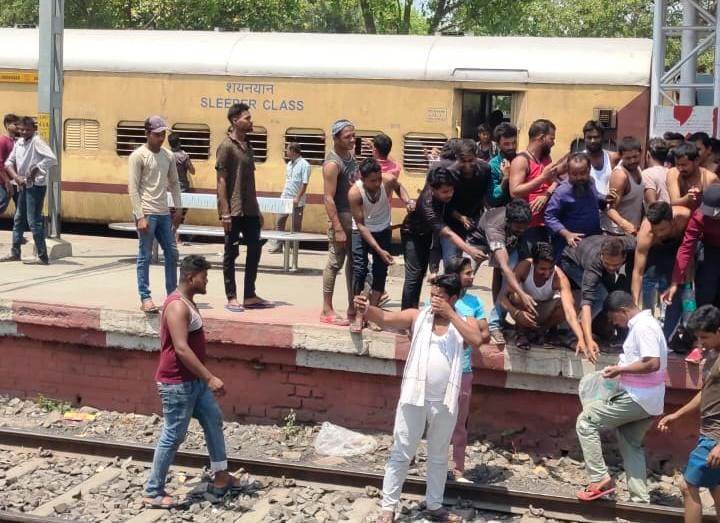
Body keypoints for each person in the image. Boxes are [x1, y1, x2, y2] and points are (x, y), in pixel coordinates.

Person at [354, 274, 483, 523]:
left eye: (439, 297)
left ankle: (434, 505)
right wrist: (367, 308)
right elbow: (386, 319)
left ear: (453, 299)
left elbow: (477, 340)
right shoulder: (418, 316)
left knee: (438, 456)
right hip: (414, 397)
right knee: (401, 452)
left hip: (445, 401)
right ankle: (388, 508)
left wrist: (451, 314)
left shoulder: (463, 322)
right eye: (432, 295)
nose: (433, 300)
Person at [142, 255, 242, 509]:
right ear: (190, 277)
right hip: (177, 384)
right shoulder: (177, 306)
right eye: (203, 277)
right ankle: (153, 491)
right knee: (173, 435)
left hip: (193, 381)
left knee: (213, 419)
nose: (206, 281)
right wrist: (209, 377)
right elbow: (181, 348)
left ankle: (221, 476)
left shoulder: (188, 302)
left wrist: (202, 378)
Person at [575, 291, 667, 504]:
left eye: (613, 318)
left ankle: (599, 478)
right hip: (648, 399)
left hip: (638, 397)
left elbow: (651, 363)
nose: (614, 323)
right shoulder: (646, 325)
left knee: (586, 421)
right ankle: (640, 500)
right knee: (630, 442)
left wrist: (621, 369)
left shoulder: (643, 327)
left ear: (623, 311)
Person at [658, 305, 720, 523]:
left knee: (688, 485)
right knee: (715, 487)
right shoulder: (713, 354)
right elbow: (706, 393)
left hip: (715, 438)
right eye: (698, 338)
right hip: (709, 433)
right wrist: (677, 415)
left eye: (705, 337)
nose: (701, 343)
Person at [400, 166, 486, 310]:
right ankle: (406, 313)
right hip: (412, 234)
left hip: (426, 233)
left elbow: (446, 207)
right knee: (414, 275)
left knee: (420, 273)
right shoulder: (427, 205)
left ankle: (413, 310)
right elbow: (447, 233)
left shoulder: (439, 190)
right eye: (445, 192)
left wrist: (460, 217)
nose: (449, 194)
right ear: (433, 190)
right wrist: (470, 250)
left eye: (451, 190)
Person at [216, 103, 273, 313]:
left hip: (249, 209)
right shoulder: (226, 146)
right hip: (233, 209)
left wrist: (257, 209)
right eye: (247, 118)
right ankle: (231, 297)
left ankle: (249, 295)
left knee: (255, 249)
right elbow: (221, 180)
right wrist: (225, 212)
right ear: (235, 121)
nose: (251, 121)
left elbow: (250, 181)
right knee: (231, 252)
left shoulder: (248, 146)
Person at [123, 116, 182, 312]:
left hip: (164, 212)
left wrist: (178, 208)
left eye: (163, 134)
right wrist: (139, 216)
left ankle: (172, 294)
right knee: (145, 255)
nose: (161, 138)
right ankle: (145, 297)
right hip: (147, 212)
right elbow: (133, 188)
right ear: (147, 134)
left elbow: (174, 183)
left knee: (172, 253)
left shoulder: (168, 156)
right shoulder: (138, 156)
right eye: (157, 134)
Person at [349, 158, 414, 332]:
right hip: (361, 231)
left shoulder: (388, 180)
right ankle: (358, 314)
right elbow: (361, 225)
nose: (377, 184)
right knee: (360, 270)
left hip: (383, 228)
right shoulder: (355, 193)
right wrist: (379, 250)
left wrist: (408, 201)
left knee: (380, 271)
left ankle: (372, 314)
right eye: (373, 181)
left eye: (379, 179)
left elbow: (399, 187)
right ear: (363, 179)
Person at [444, 257, 490, 482]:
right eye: (468, 273)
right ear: (455, 276)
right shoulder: (438, 301)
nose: (472, 277)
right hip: (441, 369)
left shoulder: (474, 302)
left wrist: (470, 326)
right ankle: (435, 465)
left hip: (463, 370)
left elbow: (485, 334)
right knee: (434, 421)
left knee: (460, 423)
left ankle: (458, 468)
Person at [560, 235, 636, 361]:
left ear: (624, 257)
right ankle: (573, 335)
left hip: (591, 247)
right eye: (607, 263)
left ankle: (617, 334)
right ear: (601, 256)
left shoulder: (631, 245)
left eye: (616, 265)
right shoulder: (593, 265)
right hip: (571, 260)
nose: (611, 268)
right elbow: (586, 304)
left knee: (617, 291)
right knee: (601, 296)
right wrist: (588, 340)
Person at [466, 198, 532, 344]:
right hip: (478, 243)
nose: (521, 231)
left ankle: (495, 324)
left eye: (524, 228)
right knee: (462, 277)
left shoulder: (520, 219)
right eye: (518, 228)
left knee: (508, 283)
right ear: (508, 221)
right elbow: (504, 266)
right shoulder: (495, 228)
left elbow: (506, 273)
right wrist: (522, 294)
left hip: (508, 245)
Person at [500, 242, 586, 351]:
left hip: (545, 311)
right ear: (534, 264)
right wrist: (516, 313)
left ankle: (541, 331)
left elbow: (570, 311)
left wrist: (580, 338)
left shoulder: (559, 277)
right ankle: (521, 333)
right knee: (516, 296)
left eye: (550, 268)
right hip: (524, 308)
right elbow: (502, 298)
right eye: (542, 269)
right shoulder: (524, 267)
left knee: (568, 303)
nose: (547, 273)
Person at [0, 116, 57, 266]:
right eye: (21, 129)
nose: (24, 132)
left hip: (35, 186)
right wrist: (15, 177)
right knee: (18, 219)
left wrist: (36, 169)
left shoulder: (37, 141)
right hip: (22, 185)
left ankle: (42, 256)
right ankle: (15, 252)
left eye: (27, 130)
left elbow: (52, 159)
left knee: (33, 221)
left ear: (34, 129)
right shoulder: (19, 142)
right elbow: (8, 162)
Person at [630, 202, 691, 339]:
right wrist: (634, 305)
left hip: (683, 249)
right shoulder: (647, 234)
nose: (658, 233)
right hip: (657, 251)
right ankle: (648, 324)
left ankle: (669, 334)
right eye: (655, 230)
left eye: (662, 229)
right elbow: (637, 272)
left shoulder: (685, 216)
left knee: (681, 290)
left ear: (672, 221)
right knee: (648, 281)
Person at [321, 119, 359, 326]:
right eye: (347, 137)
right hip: (342, 217)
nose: (353, 140)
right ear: (335, 139)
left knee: (353, 263)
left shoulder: (350, 157)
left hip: (353, 217)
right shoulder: (333, 164)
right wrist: (337, 227)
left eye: (354, 135)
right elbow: (328, 197)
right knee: (335, 263)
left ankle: (352, 306)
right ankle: (326, 308)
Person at [509, 119, 566, 253]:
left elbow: (555, 181)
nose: (553, 143)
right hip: (529, 227)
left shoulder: (546, 159)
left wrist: (546, 194)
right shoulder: (521, 161)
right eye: (551, 138)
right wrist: (542, 178)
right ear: (541, 138)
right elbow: (514, 191)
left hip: (547, 223)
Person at [663, 183, 720, 310]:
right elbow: (686, 248)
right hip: (710, 250)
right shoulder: (700, 217)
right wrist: (675, 282)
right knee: (706, 290)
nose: (710, 216)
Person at [544, 152, 604, 258]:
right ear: (568, 172)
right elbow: (549, 216)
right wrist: (567, 234)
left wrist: (605, 198)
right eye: (574, 174)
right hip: (571, 246)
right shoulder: (561, 192)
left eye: (583, 173)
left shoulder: (590, 182)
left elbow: (596, 196)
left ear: (589, 170)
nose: (579, 177)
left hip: (593, 241)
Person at [444, 139, 490, 264]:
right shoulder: (449, 174)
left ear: (476, 156)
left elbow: (486, 195)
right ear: (456, 158)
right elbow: (443, 203)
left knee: (471, 263)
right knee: (452, 263)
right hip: (452, 222)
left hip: (475, 220)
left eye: (471, 161)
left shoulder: (485, 169)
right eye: (463, 161)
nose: (467, 165)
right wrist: (460, 217)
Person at [268, 142, 311, 254]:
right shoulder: (289, 165)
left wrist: (297, 197)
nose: (286, 152)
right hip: (285, 198)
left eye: (287, 150)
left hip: (297, 200)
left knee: (295, 226)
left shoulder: (305, 165)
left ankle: (293, 248)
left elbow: (304, 184)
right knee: (280, 221)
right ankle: (278, 246)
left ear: (293, 151)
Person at [602, 136, 645, 236]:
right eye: (628, 158)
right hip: (616, 234)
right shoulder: (620, 176)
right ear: (620, 156)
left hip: (632, 232)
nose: (632, 161)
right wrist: (625, 225)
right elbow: (610, 209)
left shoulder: (637, 168)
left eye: (635, 157)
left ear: (641, 152)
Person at [667, 141, 719, 211]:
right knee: (679, 212)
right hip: (684, 214)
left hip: (703, 214)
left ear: (696, 161)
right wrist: (687, 198)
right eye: (677, 164)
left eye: (684, 165)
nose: (680, 169)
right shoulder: (673, 173)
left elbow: (716, 207)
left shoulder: (710, 178)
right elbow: (674, 202)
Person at [168, 132, 195, 244]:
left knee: (171, 214)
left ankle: (170, 236)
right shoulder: (184, 156)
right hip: (183, 188)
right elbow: (193, 171)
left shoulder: (166, 155)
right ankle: (177, 237)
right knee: (181, 215)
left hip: (169, 188)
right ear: (179, 143)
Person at [582, 120, 620, 196]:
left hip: (607, 202)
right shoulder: (577, 159)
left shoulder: (612, 158)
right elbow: (556, 171)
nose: (592, 141)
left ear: (603, 138)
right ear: (584, 138)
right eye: (589, 137)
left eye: (596, 137)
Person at [487, 122, 517, 207]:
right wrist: (505, 178)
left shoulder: (522, 160)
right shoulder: (493, 165)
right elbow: (492, 198)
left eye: (514, 142)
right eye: (506, 144)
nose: (511, 147)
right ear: (498, 145)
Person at [0, 113, 19, 216]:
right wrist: (7, 181)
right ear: (7, 125)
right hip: (4, 181)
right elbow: (0, 163)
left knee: (21, 207)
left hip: (16, 180)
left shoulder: (17, 141)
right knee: (2, 203)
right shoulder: (2, 141)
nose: (18, 127)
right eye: (15, 124)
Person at [641, 138, 670, 205]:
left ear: (648, 154)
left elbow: (652, 204)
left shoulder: (647, 174)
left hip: (659, 211)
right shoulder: (670, 172)